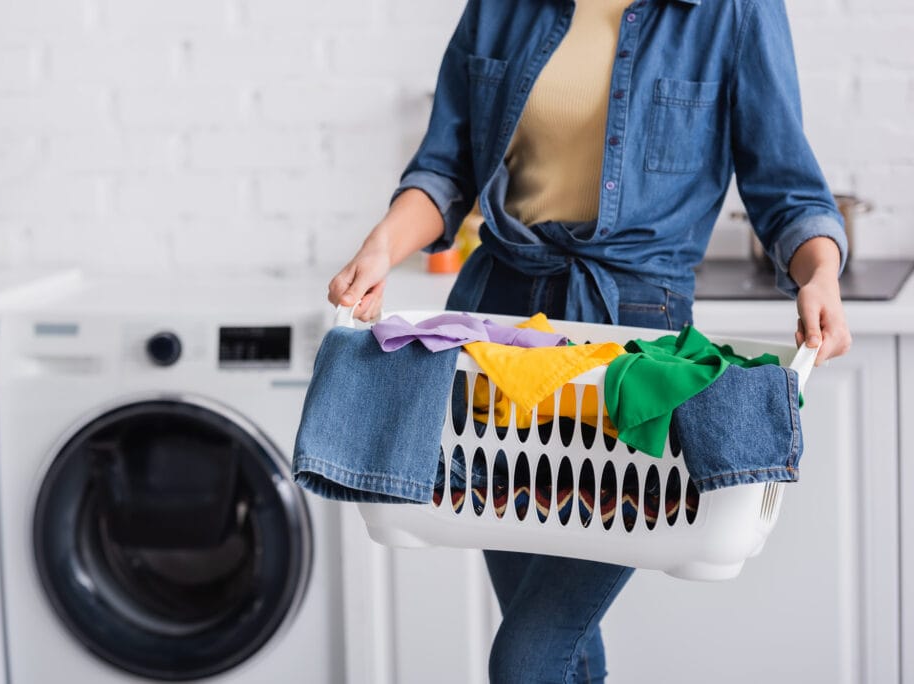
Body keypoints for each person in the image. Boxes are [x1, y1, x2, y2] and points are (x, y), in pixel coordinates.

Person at [327, 1, 852, 682]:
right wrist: (380, 247)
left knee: (527, 655)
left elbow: (786, 191)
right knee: (562, 650)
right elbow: (446, 168)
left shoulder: (733, 11)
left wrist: (820, 276)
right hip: (496, 340)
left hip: (630, 352)